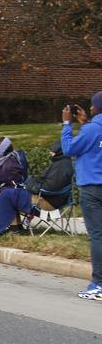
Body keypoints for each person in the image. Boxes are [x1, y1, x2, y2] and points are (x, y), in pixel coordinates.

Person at [62, 97, 102, 300]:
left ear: (97, 108)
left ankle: (98, 284)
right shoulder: (91, 128)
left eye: (93, 104)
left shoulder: (91, 130)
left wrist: (67, 124)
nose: (91, 106)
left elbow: (69, 149)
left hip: (93, 187)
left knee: (97, 235)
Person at [26, 140, 74, 210]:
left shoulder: (60, 166)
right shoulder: (65, 162)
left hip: (49, 202)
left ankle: (20, 220)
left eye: (52, 151)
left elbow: (50, 187)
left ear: (58, 152)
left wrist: (32, 185)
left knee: (10, 197)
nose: (50, 152)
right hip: (59, 199)